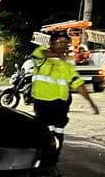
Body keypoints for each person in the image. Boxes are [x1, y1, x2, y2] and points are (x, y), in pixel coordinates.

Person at [29, 28, 99, 167]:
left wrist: (91, 103)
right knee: (45, 132)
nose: (62, 45)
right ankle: (42, 160)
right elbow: (41, 53)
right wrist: (58, 55)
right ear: (51, 43)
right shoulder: (42, 57)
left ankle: (52, 160)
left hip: (60, 105)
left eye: (65, 43)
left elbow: (78, 84)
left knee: (58, 132)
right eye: (59, 42)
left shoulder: (67, 66)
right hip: (43, 103)